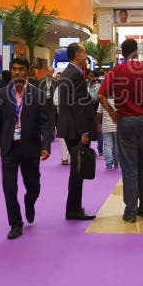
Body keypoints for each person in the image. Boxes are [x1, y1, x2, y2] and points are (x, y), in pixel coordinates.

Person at [98, 38, 143, 223]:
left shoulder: (116, 71)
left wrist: (113, 113)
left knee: (129, 167)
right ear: (136, 52)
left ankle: (130, 211)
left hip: (126, 122)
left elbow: (101, 95)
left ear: (122, 53)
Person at [0, 57, 53, 239]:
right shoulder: (1, 94)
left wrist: (46, 145)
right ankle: (15, 223)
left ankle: (29, 201)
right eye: (14, 69)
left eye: (20, 69)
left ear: (27, 71)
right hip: (9, 148)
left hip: (30, 147)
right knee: (9, 188)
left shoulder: (38, 94)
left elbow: (46, 123)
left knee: (33, 186)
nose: (17, 72)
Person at [57, 42, 98, 220]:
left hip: (69, 127)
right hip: (75, 129)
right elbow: (77, 105)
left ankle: (73, 207)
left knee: (77, 169)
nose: (86, 55)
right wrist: (84, 131)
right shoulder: (74, 74)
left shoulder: (68, 73)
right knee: (78, 170)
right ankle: (73, 210)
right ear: (77, 55)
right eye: (84, 52)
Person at [96, 97, 118, 170]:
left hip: (106, 126)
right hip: (117, 126)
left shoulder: (103, 100)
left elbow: (99, 113)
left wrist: (98, 124)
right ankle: (116, 163)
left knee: (107, 146)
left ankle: (109, 164)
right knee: (116, 145)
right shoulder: (118, 99)